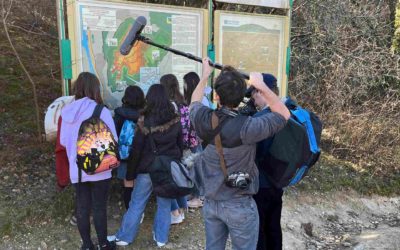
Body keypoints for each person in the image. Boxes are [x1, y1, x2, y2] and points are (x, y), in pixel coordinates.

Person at [189, 58, 290, 250]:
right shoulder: (249, 127)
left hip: (211, 203)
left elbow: (194, 101)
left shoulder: (202, 119)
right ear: (243, 95)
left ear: (216, 96)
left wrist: (204, 76)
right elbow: (283, 114)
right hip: (239, 204)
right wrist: (261, 86)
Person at [108, 84, 183, 247]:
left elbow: (136, 151)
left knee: (137, 203)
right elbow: (180, 145)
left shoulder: (144, 121)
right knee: (164, 204)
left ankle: (124, 237)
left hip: (147, 169)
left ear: (149, 99)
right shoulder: (176, 120)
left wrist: (130, 173)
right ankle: (161, 238)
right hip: (167, 169)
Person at [59, 72, 116, 250]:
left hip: (77, 170)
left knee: (82, 207)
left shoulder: (66, 113)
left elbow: (62, 141)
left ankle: (87, 245)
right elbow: (113, 139)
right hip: (100, 167)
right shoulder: (101, 111)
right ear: (95, 89)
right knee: (99, 207)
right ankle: (104, 244)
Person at [250, 73, 285, 250]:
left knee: (259, 229)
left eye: (254, 94)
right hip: (278, 179)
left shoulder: (261, 120)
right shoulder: (284, 113)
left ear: (262, 92)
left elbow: (256, 152)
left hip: (261, 183)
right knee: (273, 227)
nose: (252, 99)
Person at [160, 74, 195, 224]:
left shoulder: (166, 106)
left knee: (169, 180)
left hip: (169, 147)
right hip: (183, 147)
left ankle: (175, 212)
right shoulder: (184, 104)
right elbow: (189, 127)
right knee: (178, 178)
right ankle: (182, 208)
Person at [114, 86, 145, 210]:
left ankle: (130, 210)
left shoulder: (119, 113)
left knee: (128, 182)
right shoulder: (145, 114)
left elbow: (115, 133)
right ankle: (139, 211)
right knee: (139, 184)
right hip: (141, 154)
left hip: (125, 154)